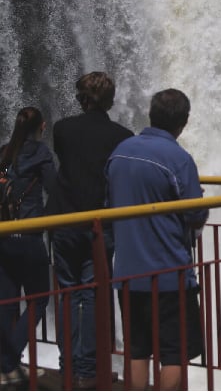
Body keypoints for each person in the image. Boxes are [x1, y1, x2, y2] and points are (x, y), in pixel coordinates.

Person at [106, 88, 207, 391]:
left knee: (137, 351)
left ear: (151, 114)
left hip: (126, 273)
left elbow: (109, 200)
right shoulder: (178, 159)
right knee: (173, 355)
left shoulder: (119, 151)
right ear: (183, 122)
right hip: (168, 275)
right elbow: (195, 215)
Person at [48, 71, 133, 389]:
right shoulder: (122, 136)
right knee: (93, 294)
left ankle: (66, 365)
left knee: (67, 293)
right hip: (99, 224)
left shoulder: (62, 130)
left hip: (64, 222)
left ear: (82, 98)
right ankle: (88, 368)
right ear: (110, 100)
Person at [0, 107, 56, 385]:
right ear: (41, 127)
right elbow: (54, 188)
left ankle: (6, 363)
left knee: (8, 301)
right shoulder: (41, 153)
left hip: (4, 236)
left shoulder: (4, 153)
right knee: (38, 300)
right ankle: (9, 361)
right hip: (30, 236)